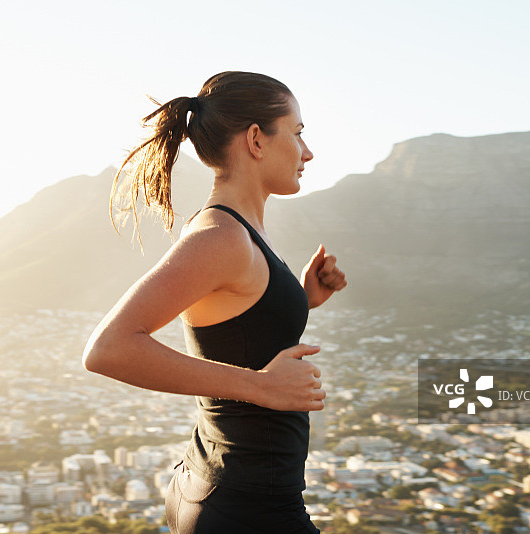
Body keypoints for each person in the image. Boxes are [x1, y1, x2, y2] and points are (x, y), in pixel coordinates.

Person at [82, 71, 347, 534]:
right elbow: (109, 349)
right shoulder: (221, 237)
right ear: (256, 140)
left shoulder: (240, 231)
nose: (308, 151)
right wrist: (261, 387)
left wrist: (301, 299)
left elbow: (235, 330)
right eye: (298, 132)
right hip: (247, 506)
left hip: (228, 489)